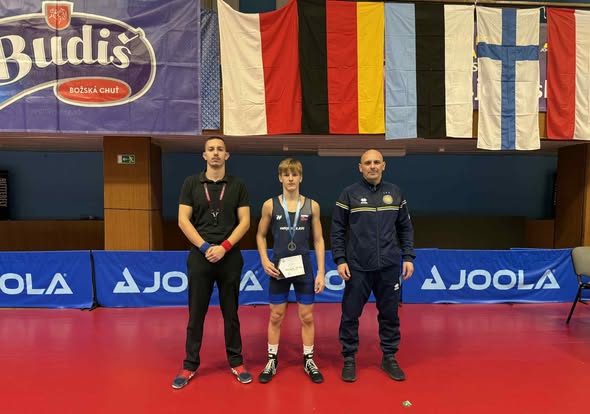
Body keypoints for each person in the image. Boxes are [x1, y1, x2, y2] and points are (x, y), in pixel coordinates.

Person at [172, 136, 252, 389]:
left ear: (226, 155)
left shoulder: (238, 185)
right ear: (204, 155)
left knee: (231, 313)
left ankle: (236, 362)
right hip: (201, 256)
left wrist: (224, 247)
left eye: (220, 149)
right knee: (196, 314)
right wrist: (206, 247)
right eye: (211, 149)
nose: (215, 153)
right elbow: (183, 220)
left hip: (230, 257)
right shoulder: (191, 183)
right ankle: (189, 365)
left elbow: (245, 222)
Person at [331, 149, 415, 383]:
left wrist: (408, 256)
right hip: (357, 267)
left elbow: (405, 228)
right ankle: (349, 358)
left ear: (384, 165)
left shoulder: (395, 193)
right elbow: (337, 230)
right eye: (367, 163)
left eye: (376, 162)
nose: (372, 166)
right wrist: (340, 259)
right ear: (360, 167)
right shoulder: (349, 194)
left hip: (389, 266)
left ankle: (389, 357)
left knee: (390, 315)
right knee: (350, 314)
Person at [256, 158, 326, 384]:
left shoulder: (312, 206)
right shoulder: (269, 205)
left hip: (304, 268)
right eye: (286, 174)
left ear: (301, 177)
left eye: (294, 174)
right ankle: (272, 359)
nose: (290, 179)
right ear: (280, 178)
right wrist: (264, 259)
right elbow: (260, 235)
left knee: (307, 316)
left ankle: (308, 359)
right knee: (276, 315)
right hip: (279, 269)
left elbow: (318, 239)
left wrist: (321, 271)